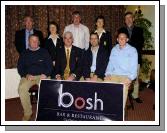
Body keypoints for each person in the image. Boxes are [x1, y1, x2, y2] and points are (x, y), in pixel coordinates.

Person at [17, 34, 53, 121]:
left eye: (36, 41)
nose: (34, 42)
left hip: (42, 75)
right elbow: (20, 67)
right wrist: (26, 75)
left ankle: (46, 111)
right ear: (29, 42)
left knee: (50, 87)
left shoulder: (44, 52)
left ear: (39, 42)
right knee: (21, 88)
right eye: (32, 40)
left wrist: (46, 74)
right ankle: (28, 113)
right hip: (29, 76)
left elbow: (50, 66)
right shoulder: (24, 53)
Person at [104, 30, 138, 109]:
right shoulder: (114, 49)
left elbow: (134, 67)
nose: (122, 39)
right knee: (105, 84)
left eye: (124, 38)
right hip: (114, 75)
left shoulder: (132, 50)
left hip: (126, 76)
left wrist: (130, 78)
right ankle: (107, 108)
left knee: (121, 89)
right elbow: (110, 64)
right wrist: (108, 73)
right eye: (120, 38)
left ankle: (118, 112)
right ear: (117, 39)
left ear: (127, 39)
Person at [117, 11, 144, 103]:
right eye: (126, 18)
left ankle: (135, 95)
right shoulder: (121, 30)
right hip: (123, 59)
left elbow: (140, 44)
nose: (128, 20)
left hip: (135, 58)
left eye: (130, 18)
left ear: (133, 19)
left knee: (135, 78)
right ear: (124, 21)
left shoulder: (140, 30)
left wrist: (127, 43)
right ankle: (122, 94)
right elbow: (119, 43)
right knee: (123, 76)